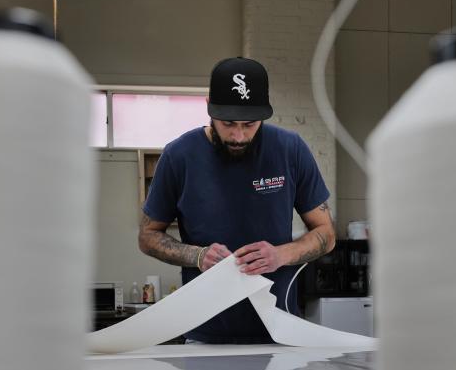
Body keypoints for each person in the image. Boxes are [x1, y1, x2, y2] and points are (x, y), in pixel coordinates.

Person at [139, 56, 336, 344]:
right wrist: (197, 256)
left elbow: (326, 234)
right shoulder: (179, 156)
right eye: (228, 123)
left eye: (250, 124)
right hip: (205, 333)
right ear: (209, 107)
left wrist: (280, 255)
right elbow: (147, 236)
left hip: (280, 331)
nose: (239, 135)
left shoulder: (290, 150)